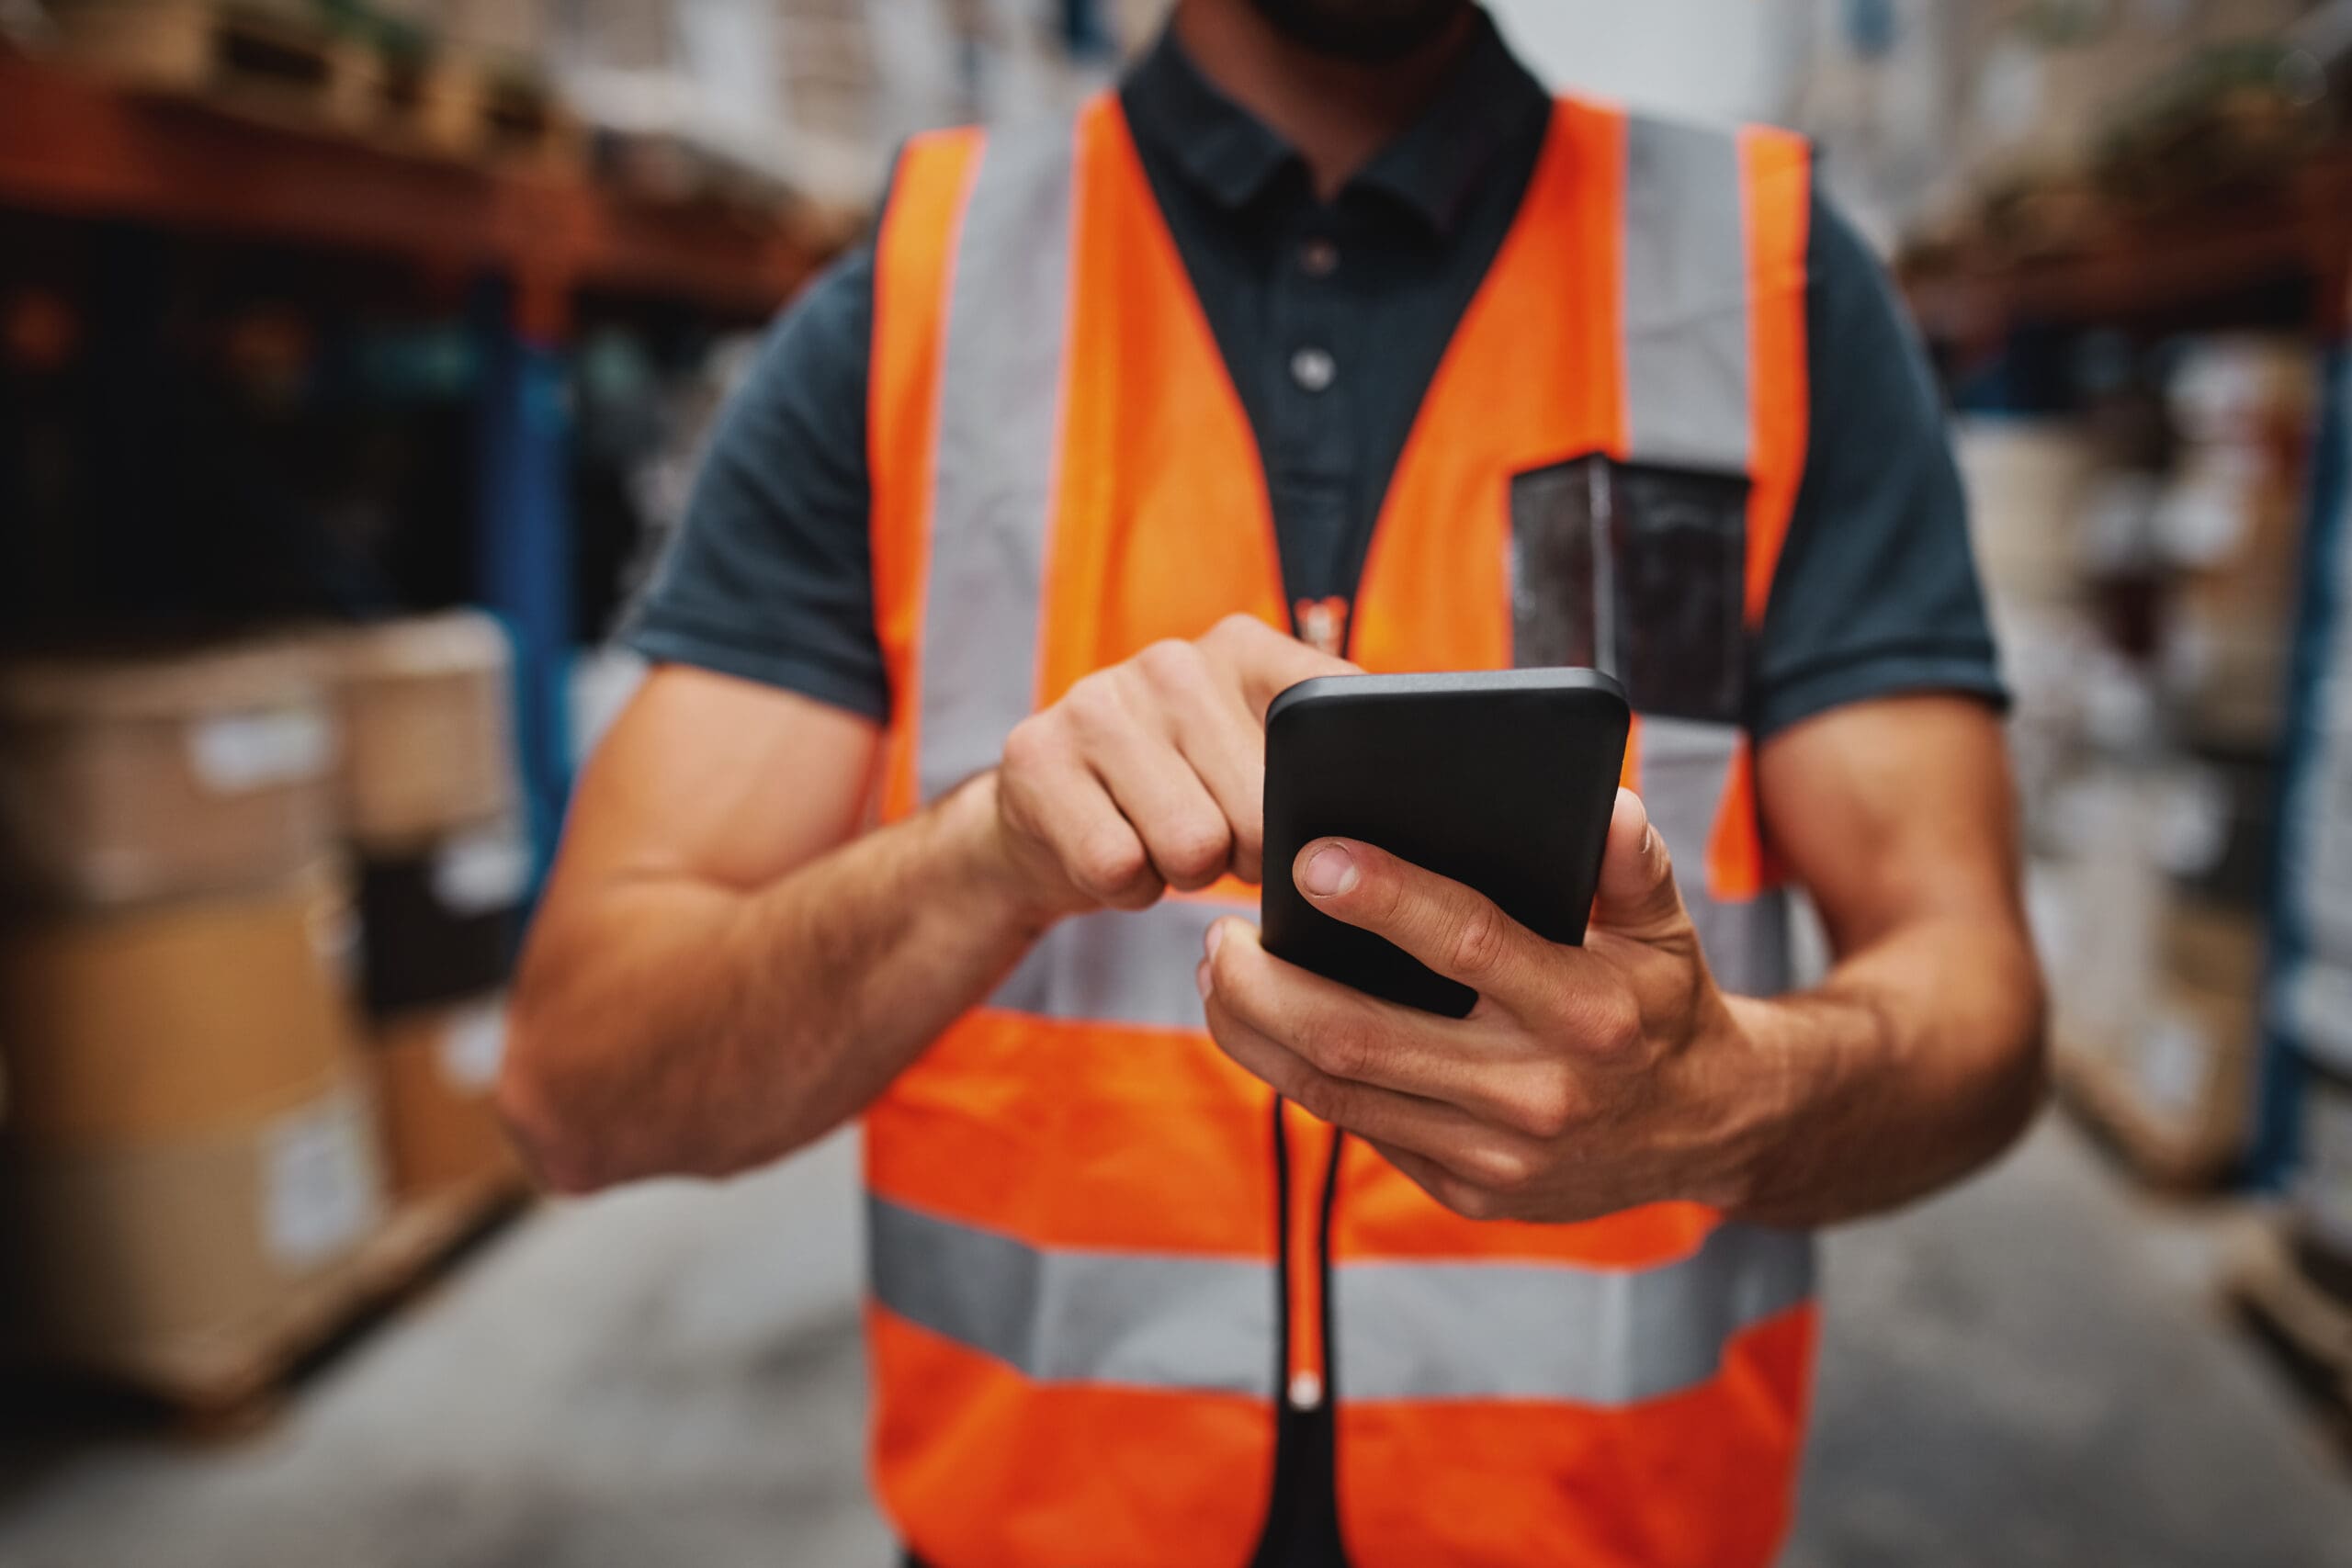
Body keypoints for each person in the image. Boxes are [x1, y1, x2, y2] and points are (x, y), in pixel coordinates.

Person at [499, 1, 2046, 1562]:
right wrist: (979, 857)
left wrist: (1725, 1105)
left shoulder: (1769, 283)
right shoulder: (924, 297)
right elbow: (583, 1087)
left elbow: (1977, 1004)